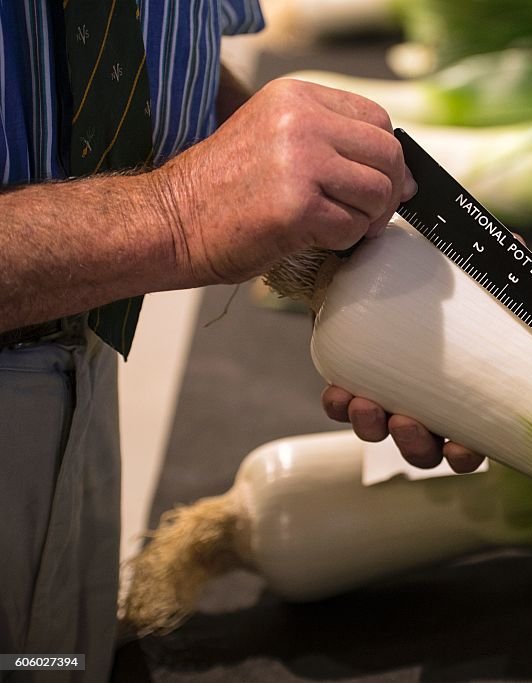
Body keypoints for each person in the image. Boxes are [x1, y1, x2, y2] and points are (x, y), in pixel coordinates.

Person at [0, 1, 482, 679]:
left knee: (54, 658)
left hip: (85, 336)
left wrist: (358, 243)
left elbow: (121, 47)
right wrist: (176, 212)